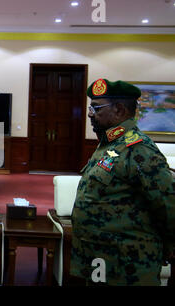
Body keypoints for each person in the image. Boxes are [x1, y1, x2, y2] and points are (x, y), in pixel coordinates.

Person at [70, 78, 175, 286]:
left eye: (96, 108)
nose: (91, 114)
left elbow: (167, 205)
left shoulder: (139, 149)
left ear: (118, 110)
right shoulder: (110, 144)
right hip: (101, 260)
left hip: (128, 265)